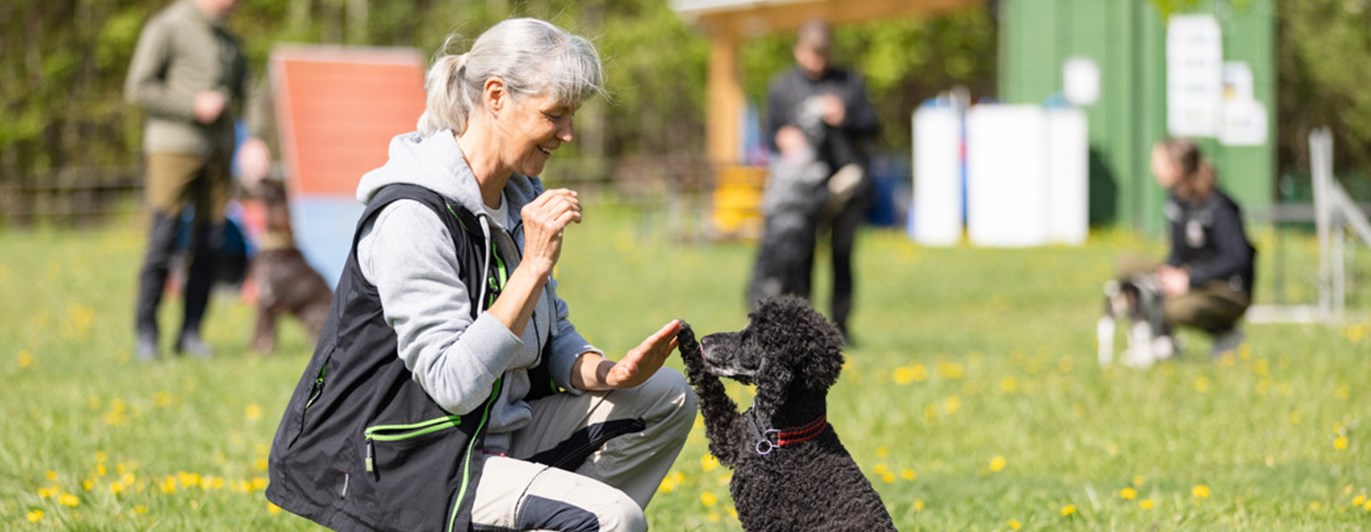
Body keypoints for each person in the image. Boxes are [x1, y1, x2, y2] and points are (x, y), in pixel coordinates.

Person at [266, 18, 697, 532]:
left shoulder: (519, 197)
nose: (568, 134)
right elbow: (453, 383)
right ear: (496, 96)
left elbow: (550, 332)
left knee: (667, 398)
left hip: (495, 435)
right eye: (555, 115)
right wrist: (533, 266)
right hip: (412, 460)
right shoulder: (412, 216)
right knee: (613, 519)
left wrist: (608, 373)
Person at [125, 0, 271, 360]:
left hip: (218, 155)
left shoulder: (229, 39)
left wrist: (254, 137)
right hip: (173, 150)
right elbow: (139, 87)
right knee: (163, 240)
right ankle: (147, 335)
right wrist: (192, 104)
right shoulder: (167, 28)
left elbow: (251, 92)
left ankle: (190, 333)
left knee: (210, 245)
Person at [759, 19, 879, 342]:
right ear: (799, 50)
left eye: (822, 54)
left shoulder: (849, 82)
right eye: (811, 54)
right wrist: (782, 136)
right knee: (802, 257)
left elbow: (872, 125)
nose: (817, 61)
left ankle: (841, 327)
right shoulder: (783, 86)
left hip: (845, 183)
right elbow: (769, 133)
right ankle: (806, 330)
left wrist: (847, 117)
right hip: (801, 188)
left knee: (842, 257)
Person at [1149, 138, 1256, 357]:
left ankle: (1226, 334)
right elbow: (1179, 252)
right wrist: (1168, 272)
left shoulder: (1219, 207)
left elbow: (1238, 258)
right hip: (1195, 281)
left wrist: (1190, 278)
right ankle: (1162, 342)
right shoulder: (1177, 203)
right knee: (1134, 272)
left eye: (1158, 163)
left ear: (1176, 169)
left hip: (1227, 291)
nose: (1152, 169)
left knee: (1174, 308)